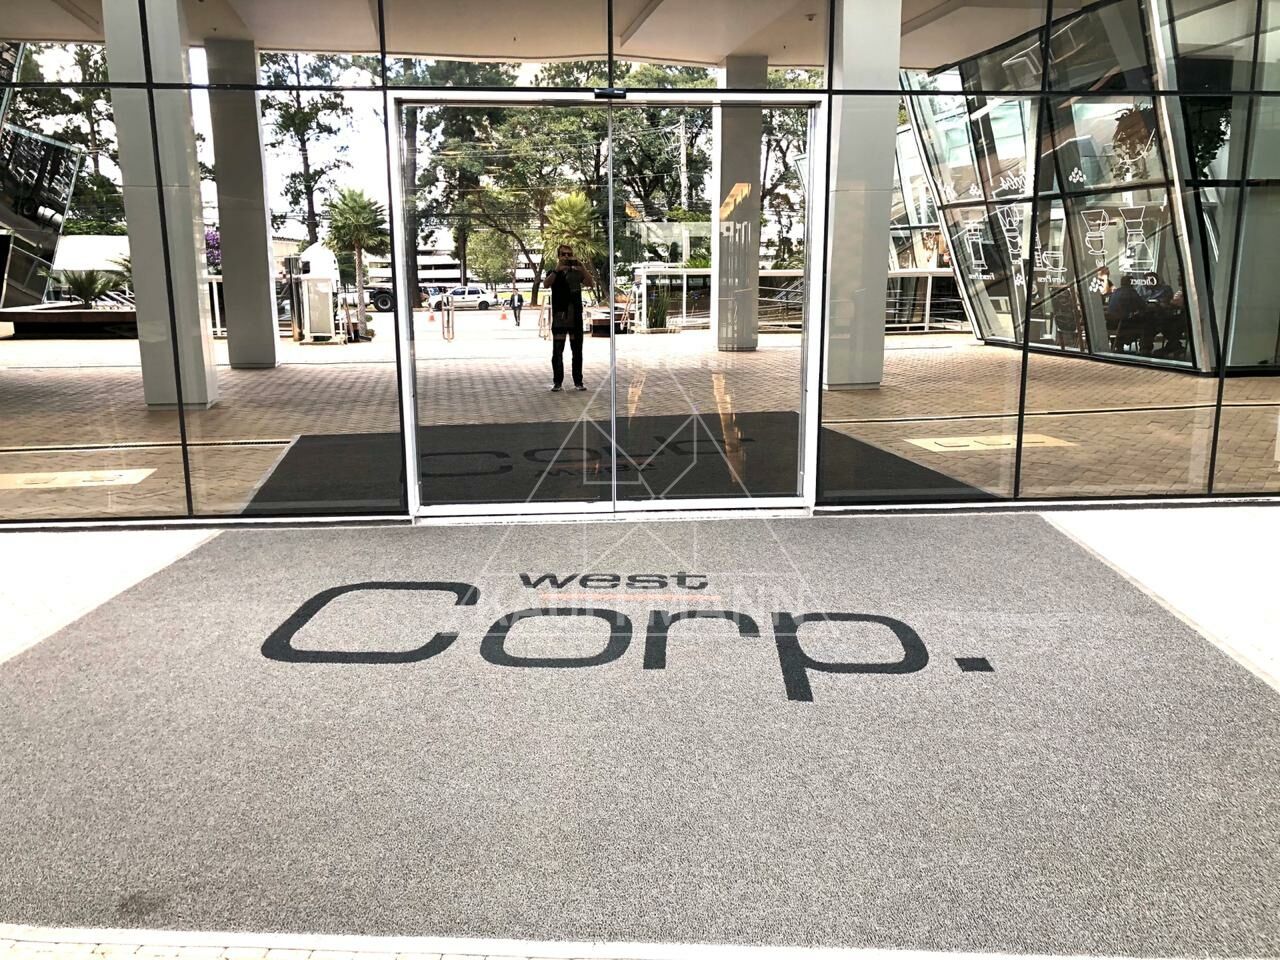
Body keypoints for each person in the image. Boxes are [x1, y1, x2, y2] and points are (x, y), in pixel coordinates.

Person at [542, 243, 592, 392]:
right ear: (558, 256)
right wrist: (557, 269)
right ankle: (557, 382)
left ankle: (578, 381)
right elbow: (546, 284)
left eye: (569, 254)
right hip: (560, 316)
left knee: (577, 350)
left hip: (575, 316)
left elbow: (590, 283)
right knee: (557, 350)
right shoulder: (553, 272)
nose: (566, 257)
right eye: (563, 254)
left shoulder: (577, 273)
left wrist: (582, 267)